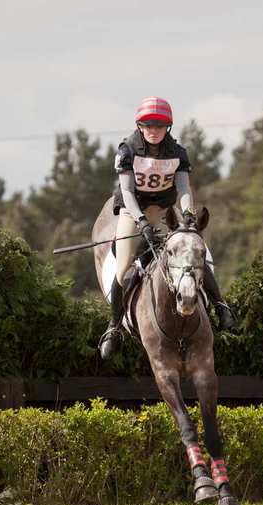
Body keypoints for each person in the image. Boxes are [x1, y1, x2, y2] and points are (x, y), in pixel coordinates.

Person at [99, 96, 235, 360]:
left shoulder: (177, 152)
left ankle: (220, 305)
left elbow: (183, 187)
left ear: (167, 128)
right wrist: (140, 221)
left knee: (191, 252)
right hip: (133, 209)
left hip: (164, 211)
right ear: (140, 126)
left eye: (159, 126)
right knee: (125, 262)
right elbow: (126, 192)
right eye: (148, 125)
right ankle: (113, 327)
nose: (153, 130)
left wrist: (189, 215)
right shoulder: (127, 150)